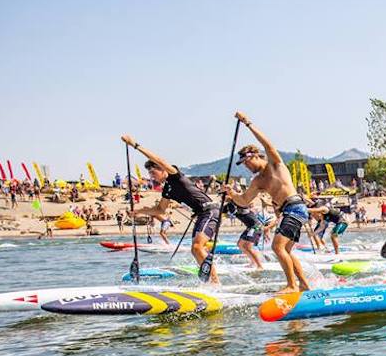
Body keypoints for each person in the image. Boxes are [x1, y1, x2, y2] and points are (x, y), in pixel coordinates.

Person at [223, 111, 311, 293]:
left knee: (277, 247)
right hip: (288, 211)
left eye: (247, 162)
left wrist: (247, 123)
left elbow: (266, 143)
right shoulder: (258, 181)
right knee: (285, 250)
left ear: (255, 156)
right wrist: (231, 194)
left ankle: (291, 285)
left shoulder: (275, 164)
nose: (246, 167)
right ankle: (303, 285)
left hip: (296, 207)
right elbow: (244, 201)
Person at [120, 134, 222, 284]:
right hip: (201, 215)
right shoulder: (167, 189)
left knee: (197, 246)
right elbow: (160, 210)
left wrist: (134, 145)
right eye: (149, 174)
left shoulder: (175, 175)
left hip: (210, 211)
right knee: (195, 250)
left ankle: (215, 283)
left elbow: (159, 160)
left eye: (153, 173)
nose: (152, 177)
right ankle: (213, 280)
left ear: (162, 170)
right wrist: (139, 211)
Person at [225, 199, 274, 269]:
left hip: (256, 227)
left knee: (248, 247)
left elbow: (247, 201)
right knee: (240, 244)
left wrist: (267, 230)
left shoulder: (239, 202)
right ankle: (253, 262)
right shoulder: (228, 206)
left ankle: (259, 266)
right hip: (250, 227)